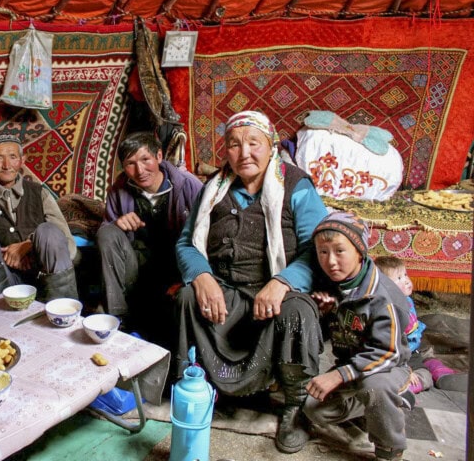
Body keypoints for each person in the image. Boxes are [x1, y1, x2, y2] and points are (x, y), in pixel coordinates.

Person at [175, 111, 328, 454]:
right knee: (187, 296)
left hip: (276, 290)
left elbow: (316, 248)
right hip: (226, 288)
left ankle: (295, 406)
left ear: (271, 146)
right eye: (234, 144)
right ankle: (198, 388)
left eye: (253, 143)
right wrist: (202, 276)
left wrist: (283, 281)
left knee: (297, 312)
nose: (244, 153)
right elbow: (187, 242)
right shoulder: (213, 187)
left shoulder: (296, 185)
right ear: (226, 151)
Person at [304, 212, 412, 461]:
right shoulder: (334, 284)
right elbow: (346, 328)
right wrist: (329, 312)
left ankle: (390, 448)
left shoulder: (384, 297)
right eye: (323, 252)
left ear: (359, 251)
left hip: (388, 367)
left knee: (376, 387)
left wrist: (338, 375)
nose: (331, 261)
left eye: (340, 251)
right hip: (354, 370)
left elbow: (387, 352)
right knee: (313, 409)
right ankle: (374, 410)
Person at [96, 131, 202, 343]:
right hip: (137, 266)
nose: (140, 170)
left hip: (178, 266)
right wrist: (117, 225)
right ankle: (117, 317)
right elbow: (107, 233)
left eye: (146, 159)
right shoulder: (119, 190)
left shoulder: (189, 185)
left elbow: (208, 234)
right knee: (105, 232)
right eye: (130, 163)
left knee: (163, 327)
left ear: (159, 157)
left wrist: (188, 278)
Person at [0, 133, 78, 301]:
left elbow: (69, 246)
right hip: (3, 286)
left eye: (13, 157)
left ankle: (62, 309)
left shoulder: (39, 193)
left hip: (44, 281)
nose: (7, 165)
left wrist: (29, 245)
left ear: (22, 160)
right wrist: (6, 258)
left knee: (49, 231)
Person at [375, 256, 466, 393]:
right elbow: (391, 346)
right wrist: (405, 369)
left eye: (405, 275)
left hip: (413, 351)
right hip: (395, 358)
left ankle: (441, 372)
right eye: (399, 278)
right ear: (384, 286)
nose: (406, 281)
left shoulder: (406, 300)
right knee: (424, 378)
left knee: (425, 356)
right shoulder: (387, 310)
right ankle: (402, 388)